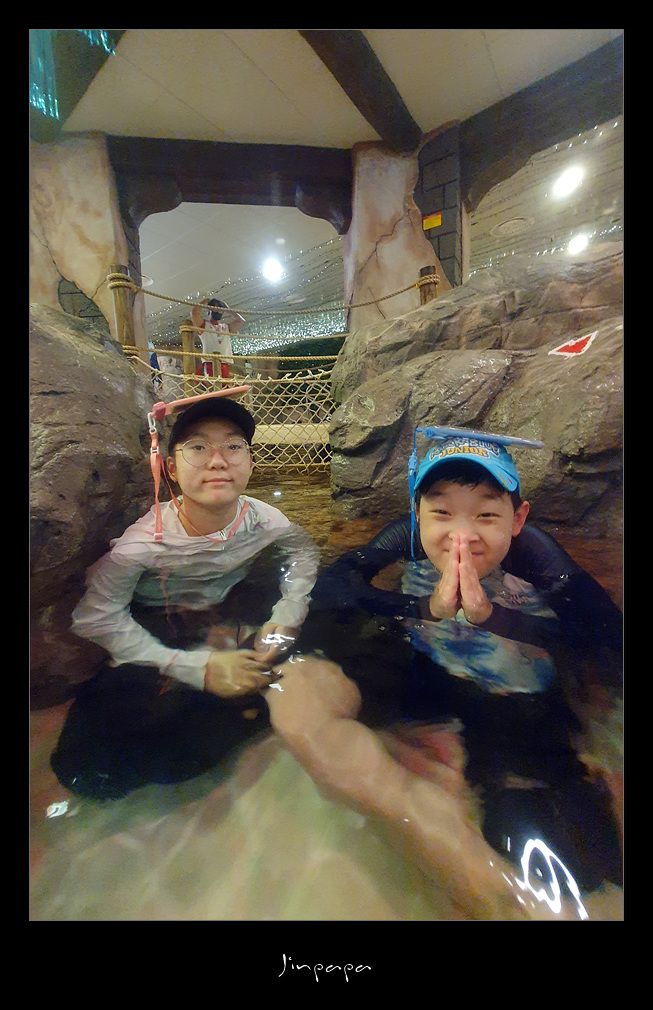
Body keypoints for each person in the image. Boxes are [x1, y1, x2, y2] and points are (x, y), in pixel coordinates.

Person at [292, 428, 622, 897]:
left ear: (517, 519)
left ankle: (583, 782)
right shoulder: (408, 537)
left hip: (520, 695)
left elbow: (605, 635)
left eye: (486, 514)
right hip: (431, 671)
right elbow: (331, 589)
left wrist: (494, 618)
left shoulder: (536, 554)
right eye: (442, 513)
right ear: (417, 514)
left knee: (574, 856)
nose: (462, 536)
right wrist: (423, 608)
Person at [50, 388, 319, 800]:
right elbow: (96, 617)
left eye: (234, 446)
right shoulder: (141, 545)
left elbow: (302, 551)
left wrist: (287, 614)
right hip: (161, 620)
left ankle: (248, 701)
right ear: (171, 469)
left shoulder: (265, 519)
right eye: (198, 447)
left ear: (251, 462)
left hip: (232, 607)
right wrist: (196, 668)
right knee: (85, 770)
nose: (218, 460)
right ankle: (241, 709)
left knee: (337, 621)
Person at [191, 298, 245, 380]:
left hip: (224, 363)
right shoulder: (204, 325)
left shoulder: (226, 327)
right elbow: (194, 314)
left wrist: (228, 309)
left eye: (219, 310)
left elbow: (241, 321)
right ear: (209, 311)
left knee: (225, 386)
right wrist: (204, 302)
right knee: (212, 385)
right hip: (209, 363)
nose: (217, 312)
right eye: (215, 309)